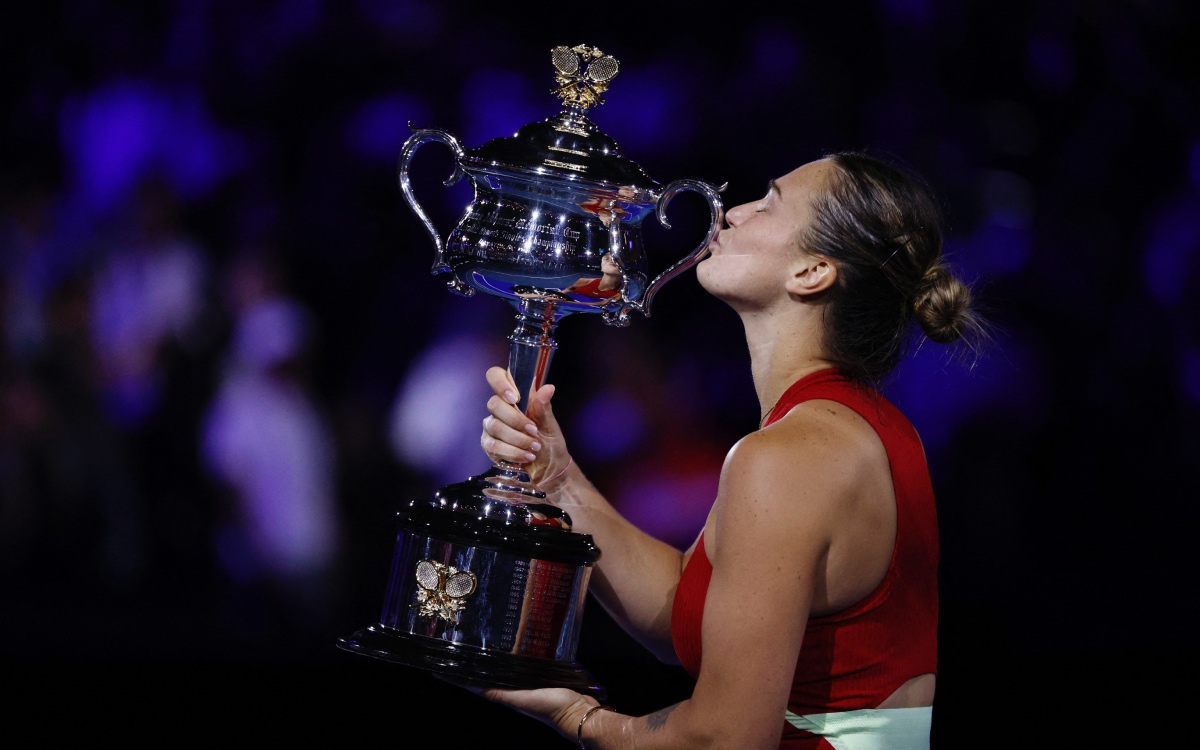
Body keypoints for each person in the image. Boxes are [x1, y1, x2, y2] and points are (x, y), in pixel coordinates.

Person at [473, 151, 986, 749]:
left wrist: (579, 719)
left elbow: (724, 739)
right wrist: (558, 480)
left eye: (766, 204)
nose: (732, 212)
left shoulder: (793, 456)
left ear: (813, 271)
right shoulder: (848, 429)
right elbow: (685, 617)